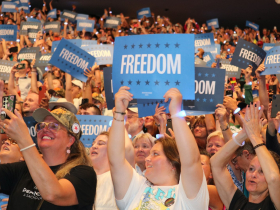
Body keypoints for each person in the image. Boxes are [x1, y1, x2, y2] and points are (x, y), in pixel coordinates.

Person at [0, 80, 97, 209]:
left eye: (54, 126)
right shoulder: (23, 169)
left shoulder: (84, 173)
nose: (45, 129)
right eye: (41, 125)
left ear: (70, 140)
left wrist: (24, 140)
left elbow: (54, 194)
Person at [108, 87, 209, 209]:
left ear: (173, 162)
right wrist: (119, 112)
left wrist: (176, 112)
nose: (147, 159)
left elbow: (192, 161)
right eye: (150, 154)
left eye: (155, 154)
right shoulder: (137, 188)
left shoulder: (188, 196)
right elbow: (116, 161)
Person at [211, 101, 280, 210]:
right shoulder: (237, 202)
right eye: (251, 169)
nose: (253, 175)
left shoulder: (275, 204)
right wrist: (244, 133)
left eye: (262, 171)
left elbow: (273, 178)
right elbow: (215, 164)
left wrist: (255, 137)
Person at [90, 131, 134, 210]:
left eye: (100, 143)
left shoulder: (118, 177)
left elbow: (127, 148)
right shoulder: (83, 175)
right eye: (93, 144)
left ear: (113, 148)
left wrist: (119, 124)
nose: (94, 146)